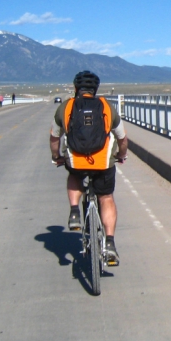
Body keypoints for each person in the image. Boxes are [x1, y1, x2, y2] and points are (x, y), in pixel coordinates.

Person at [49, 70, 128, 266]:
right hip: (103, 163)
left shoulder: (66, 107)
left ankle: (75, 212)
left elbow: (54, 137)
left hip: (76, 160)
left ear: (76, 88)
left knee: (74, 176)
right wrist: (121, 154)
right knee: (106, 197)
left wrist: (56, 156)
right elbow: (122, 138)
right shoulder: (106, 106)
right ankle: (109, 243)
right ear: (95, 89)